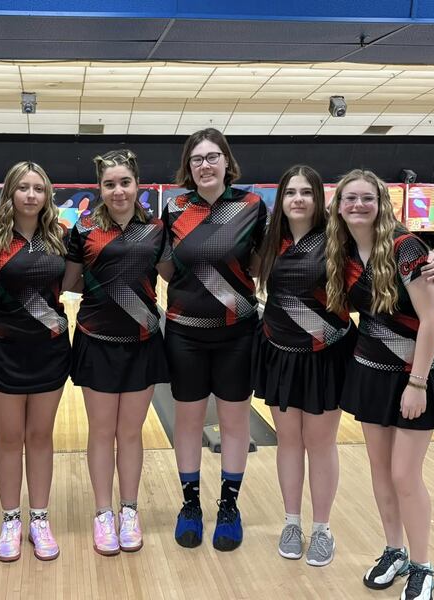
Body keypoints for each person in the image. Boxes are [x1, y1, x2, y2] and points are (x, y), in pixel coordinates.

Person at [253, 166, 434, 567]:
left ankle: (322, 529)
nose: (299, 199)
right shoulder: (273, 240)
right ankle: (294, 523)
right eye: (291, 192)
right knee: (292, 443)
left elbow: (411, 273)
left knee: (330, 449)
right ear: (280, 199)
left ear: (324, 202)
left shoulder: (334, 241)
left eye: (308, 191)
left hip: (331, 356)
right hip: (284, 353)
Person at [325, 169, 434, 600]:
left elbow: (431, 320)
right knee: (381, 472)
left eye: (367, 198)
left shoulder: (406, 248)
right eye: (349, 199)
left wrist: (417, 383)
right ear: (339, 206)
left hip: (415, 375)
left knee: (404, 475)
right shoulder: (341, 253)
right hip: (372, 372)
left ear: (381, 202)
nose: (358, 205)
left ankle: (422, 565)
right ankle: (394, 551)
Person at [160, 128, 266, 552]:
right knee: (187, 420)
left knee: (234, 422)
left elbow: (269, 258)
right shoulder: (174, 207)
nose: (204, 165)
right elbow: (166, 267)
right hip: (185, 331)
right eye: (196, 159)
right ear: (188, 167)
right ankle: (190, 504)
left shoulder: (251, 205)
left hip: (237, 333)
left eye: (212, 157)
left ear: (227, 161)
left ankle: (228, 505)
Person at [63, 149, 169, 556]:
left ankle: (129, 510)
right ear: (101, 188)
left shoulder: (156, 230)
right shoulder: (84, 228)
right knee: (102, 432)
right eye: (110, 184)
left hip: (142, 341)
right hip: (97, 340)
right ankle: (103, 513)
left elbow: (173, 275)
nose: (118, 190)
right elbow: (71, 281)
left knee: (130, 432)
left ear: (137, 185)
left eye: (125, 182)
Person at [0, 161, 69, 562]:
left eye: (39, 188)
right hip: (3, 348)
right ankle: (11, 519)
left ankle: (40, 519)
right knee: (10, 438)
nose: (31, 195)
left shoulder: (60, 238)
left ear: (47, 195)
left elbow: (70, 283)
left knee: (40, 437)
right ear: (10, 193)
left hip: (49, 348)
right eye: (23, 188)